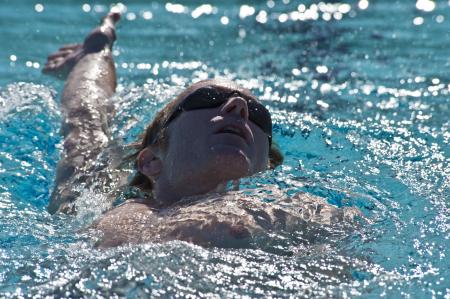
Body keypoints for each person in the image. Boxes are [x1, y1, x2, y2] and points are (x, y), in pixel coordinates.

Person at [44, 12, 361, 248]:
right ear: (151, 160)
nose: (238, 108)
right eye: (207, 99)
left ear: (265, 166)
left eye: (259, 117)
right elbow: (84, 122)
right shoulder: (91, 206)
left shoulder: (304, 215)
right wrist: (96, 53)